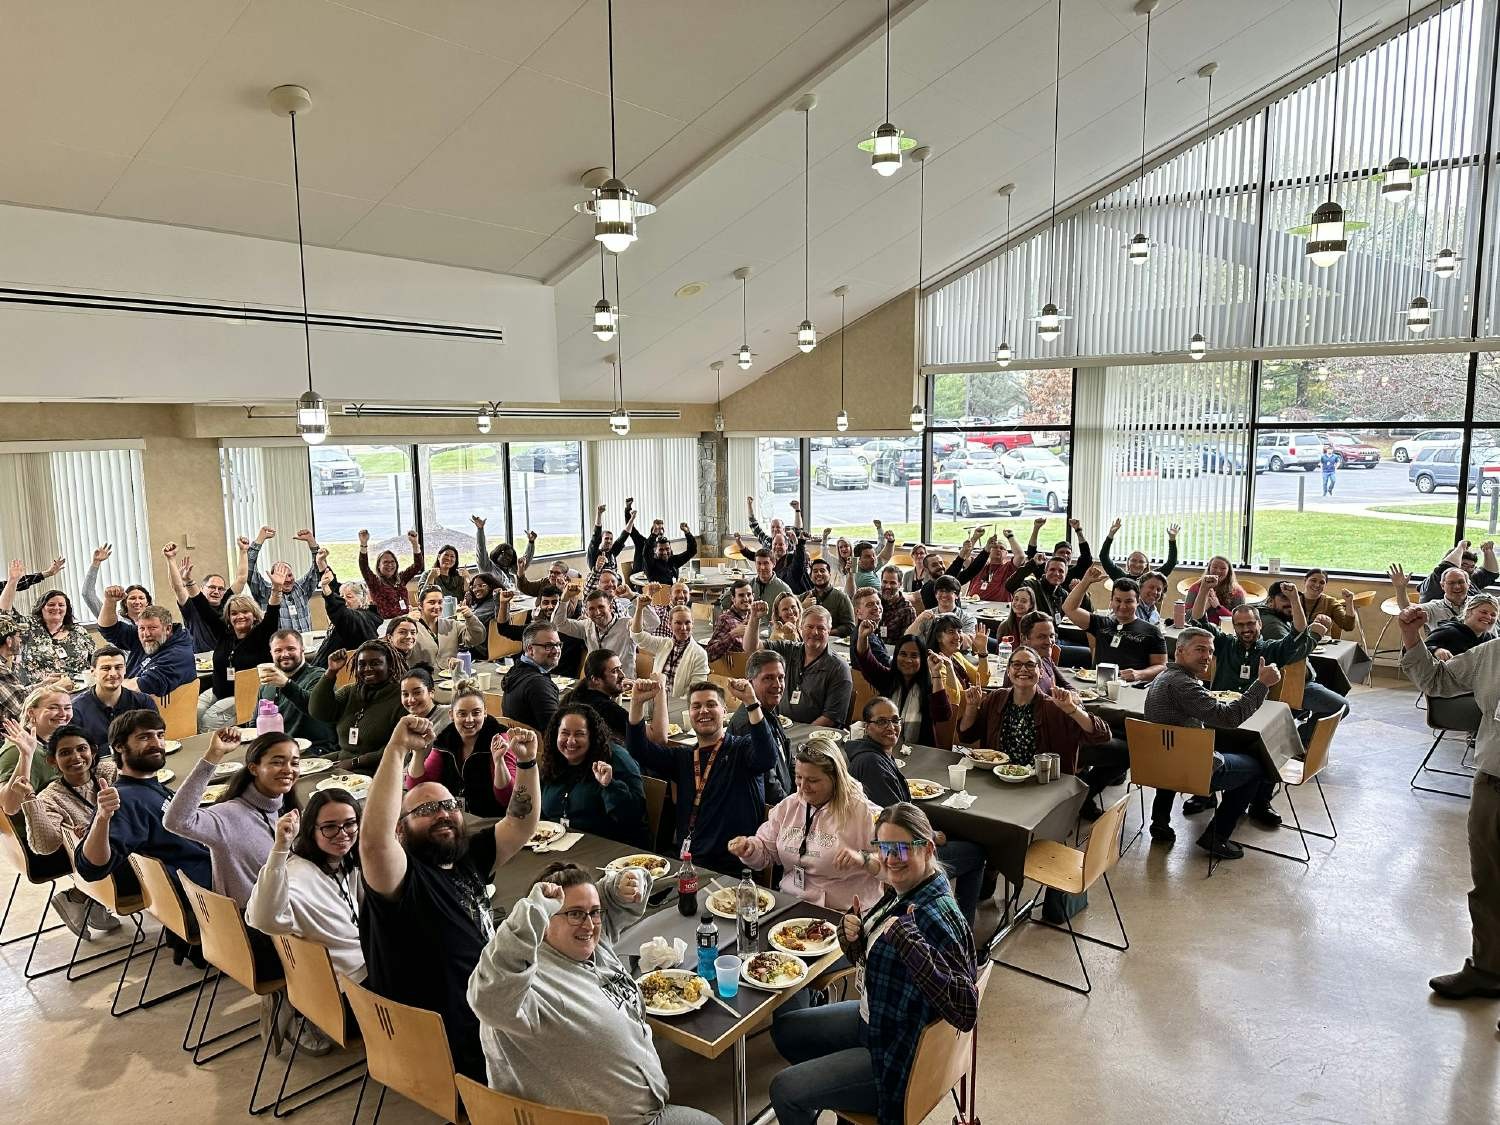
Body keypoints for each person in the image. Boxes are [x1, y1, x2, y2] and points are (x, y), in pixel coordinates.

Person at [769, 802, 977, 1125]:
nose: (891, 859)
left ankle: (836, 1098)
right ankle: (836, 1102)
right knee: (786, 1031)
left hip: (896, 1057)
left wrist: (913, 948)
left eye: (902, 849)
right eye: (884, 848)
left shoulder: (935, 915)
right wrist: (854, 939)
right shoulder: (904, 891)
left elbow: (966, 1011)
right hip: (876, 1016)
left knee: (783, 1089)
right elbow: (882, 965)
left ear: (928, 848)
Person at [358, 714, 540, 1083]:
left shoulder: (465, 856)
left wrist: (526, 763)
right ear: (401, 828)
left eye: (449, 806)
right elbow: (374, 843)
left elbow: (520, 824)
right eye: (425, 811)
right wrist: (396, 750)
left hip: (490, 1005)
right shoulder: (401, 876)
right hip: (454, 1044)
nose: (442, 814)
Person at [468, 862, 719, 1125]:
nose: (588, 925)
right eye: (575, 914)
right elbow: (488, 996)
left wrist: (621, 885)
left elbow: (604, 902)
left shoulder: (590, 946)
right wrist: (530, 914)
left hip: (643, 1109)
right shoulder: (524, 987)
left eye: (594, 913)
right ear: (543, 922)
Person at [1396, 605, 1500, 1010]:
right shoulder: (1492, 653)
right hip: (1493, 781)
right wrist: (1411, 636)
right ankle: (1489, 969)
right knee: (1489, 882)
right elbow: (1436, 680)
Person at [75, 710, 213, 959]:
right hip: (207, 896)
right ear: (119, 746)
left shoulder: (146, 787)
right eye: (144, 737)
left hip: (203, 886)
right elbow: (90, 868)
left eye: (160, 736)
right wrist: (102, 818)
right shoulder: (124, 800)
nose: (157, 744)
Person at [842, 698, 988, 922]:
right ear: (867, 726)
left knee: (961, 836)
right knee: (976, 853)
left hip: (894, 844)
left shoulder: (876, 753)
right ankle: (961, 928)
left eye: (894, 720)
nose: (890, 727)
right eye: (881, 722)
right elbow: (893, 820)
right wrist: (930, 835)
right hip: (895, 853)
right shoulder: (871, 762)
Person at [1142, 626, 1282, 858]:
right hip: (1188, 768)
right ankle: (1216, 836)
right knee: (1258, 767)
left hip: (1161, 764)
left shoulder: (1164, 676)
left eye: (1210, 650)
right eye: (1200, 649)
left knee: (1219, 745)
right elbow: (1229, 718)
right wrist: (1262, 684)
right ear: (1180, 651)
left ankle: (1160, 821)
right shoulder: (1183, 684)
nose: (1207, 656)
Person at [246, 792, 365, 1055]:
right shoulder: (298, 876)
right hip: (348, 998)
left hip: (343, 982)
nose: (342, 833)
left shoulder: (343, 862)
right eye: (330, 827)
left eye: (350, 823)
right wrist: (279, 849)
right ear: (312, 830)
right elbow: (262, 918)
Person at [625, 676, 777, 875]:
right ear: (689, 714)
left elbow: (767, 757)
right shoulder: (684, 757)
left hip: (731, 868)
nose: (703, 711)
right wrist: (636, 703)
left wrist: (751, 702)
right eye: (696, 706)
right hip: (687, 864)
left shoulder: (743, 750)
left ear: (724, 712)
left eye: (711, 704)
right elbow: (639, 750)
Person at [728, 740, 882, 910]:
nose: (803, 787)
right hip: (792, 903)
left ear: (836, 779)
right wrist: (750, 849)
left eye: (813, 780)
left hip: (844, 913)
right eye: (799, 777)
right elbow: (765, 852)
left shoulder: (864, 812)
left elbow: (904, 855)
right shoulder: (788, 807)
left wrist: (864, 859)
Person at [1, 721, 121, 937]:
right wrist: (30, 798)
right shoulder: (51, 797)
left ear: (93, 751)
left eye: (81, 749)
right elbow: (45, 846)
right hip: (103, 865)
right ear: (51, 761)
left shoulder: (110, 771)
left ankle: (87, 900)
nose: (75, 757)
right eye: (65, 752)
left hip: (108, 860)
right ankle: (79, 897)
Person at [165, 727, 299, 911]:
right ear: (253, 768)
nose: (288, 770)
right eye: (277, 762)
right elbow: (176, 820)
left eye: (295, 763)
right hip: (256, 926)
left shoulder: (286, 809)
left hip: (282, 909)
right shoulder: (228, 816)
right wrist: (214, 755)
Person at [1192, 577, 1340, 720]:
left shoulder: (1273, 649)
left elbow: (1299, 631)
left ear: (1260, 624)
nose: (1246, 629)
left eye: (1250, 623)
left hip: (1255, 715)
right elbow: (1199, 620)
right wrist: (1204, 589)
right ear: (1234, 627)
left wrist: (1294, 598)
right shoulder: (1224, 644)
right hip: (1222, 713)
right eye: (1240, 625)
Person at [957, 647, 1110, 776]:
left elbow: (1101, 735)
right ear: (1008, 672)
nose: (1023, 669)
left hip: (1042, 782)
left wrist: (1072, 709)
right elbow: (967, 736)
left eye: (1030, 665)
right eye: (1016, 665)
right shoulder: (996, 698)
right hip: (999, 777)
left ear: (1041, 672)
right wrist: (971, 707)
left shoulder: (1056, 706)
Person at [175, 551, 282, 729]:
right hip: (220, 692)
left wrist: (276, 589)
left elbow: (272, 612)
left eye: (245, 612)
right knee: (194, 712)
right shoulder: (225, 634)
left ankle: (218, 752)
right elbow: (203, 608)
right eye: (234, 613)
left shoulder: (262, 635)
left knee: (209, 720)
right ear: (229, 617)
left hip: (248, 695)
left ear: (254, 615)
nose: (239, 616)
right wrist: (188, 582)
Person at [539, 703, 647, 845]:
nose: (570, 741)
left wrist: (610, 786)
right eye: (565, 733)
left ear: (592, 736)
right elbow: (537, 810)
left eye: (579, 734)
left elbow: (633, 818)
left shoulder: (616, 759)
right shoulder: (554, 758)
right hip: (555, 844)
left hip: (605, 847)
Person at [405, 682, 516, 817]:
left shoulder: (499, 738)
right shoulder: (445, 739)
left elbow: (508, 799)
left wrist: (499, 762)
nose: (469, 720)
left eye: (476, 713)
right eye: (462, 714)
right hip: (454, 815)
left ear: (485, 713)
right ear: (451, 715)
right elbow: (417, 789)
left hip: (490, 819)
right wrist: (418, 753)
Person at [309, 641, 405, 770]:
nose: (367, 668)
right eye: (362, 664)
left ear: (390, 666)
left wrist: (355, 762)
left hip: (377, 769)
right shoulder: (350, 691)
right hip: (343, 761)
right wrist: (331, 672)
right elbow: (318, 711)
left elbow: (398, 747)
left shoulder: (402, 698)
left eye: (375, 663)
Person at [1063, 567, 1168, 683]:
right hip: (1098, 685)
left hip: (1132, 687)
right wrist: (1085, 582)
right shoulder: (1100, 623)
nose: (1122, 606)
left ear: (1137, 602)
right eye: (1118, 600)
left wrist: (1139, 674)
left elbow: (1161, 666)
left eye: (1129, 601)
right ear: (1111, 601)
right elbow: (1069, 608)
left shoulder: (1152, 631)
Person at [852, 628, 952, 747]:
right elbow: (865, 659)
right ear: (896, 656)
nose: (908, 660)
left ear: (922, 660)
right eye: (903, 654)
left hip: (919, 752)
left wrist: (936, 674)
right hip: (885, 748)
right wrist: (863, 637)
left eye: (914, 656)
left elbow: (942, 715)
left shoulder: (930, 687)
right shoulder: (888, 679)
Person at [0, 564, 96, 683]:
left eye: (61, 605)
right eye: (51, 604)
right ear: (41, 608)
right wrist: (13, 581)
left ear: (67, 609)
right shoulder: (28, 626)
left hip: (75, 691)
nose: (56, 608)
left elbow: (95, 661)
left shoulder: (79, 631)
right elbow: (4, 613)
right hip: (36, 693)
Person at [764, 605, 853, 728]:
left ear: (829, 630)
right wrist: (754, 618)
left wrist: (797, 734)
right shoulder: (789, 650)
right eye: (809, 627)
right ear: (801, 628)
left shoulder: (838, 668)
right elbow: (750, 648)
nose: (814, 632)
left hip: (813, 736)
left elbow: (829, 719)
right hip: (781, 727)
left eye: (821, 628)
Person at [97, 591, 195, 697]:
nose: (146, 634)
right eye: (142, 628)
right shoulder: (144, 637)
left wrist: (101, 687)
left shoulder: (178, 654)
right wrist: (109, 601)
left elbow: (142, 685)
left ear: (168, 628)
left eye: (153, 628)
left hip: (147, 710)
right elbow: (108, 629)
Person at [728, 648, 794, 803]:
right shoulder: (747, 725)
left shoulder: (768, 710)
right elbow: (769, 786)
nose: (777, 685)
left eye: (781, 677)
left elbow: (788, 759)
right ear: (750, 682)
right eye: (768, 678)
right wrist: (792, 810)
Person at [257, 630, 338, 754]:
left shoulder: (320, 677)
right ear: (271, 653)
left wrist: (286, 684)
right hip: (279, 750)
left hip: (316, 751)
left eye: (291, 649)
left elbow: (315, 708)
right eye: (278, 650)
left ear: (302, 649)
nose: (284, 654)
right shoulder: (267, 684)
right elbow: (255, 722)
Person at [69, 646, 158, 750]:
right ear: (93, 671)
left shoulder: (144, 702)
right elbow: (76, 751)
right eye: (106, 668)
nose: (113, 673)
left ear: (125, 669)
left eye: (118, 667)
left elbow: (155, 740)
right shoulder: (75, 710)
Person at [632, 599, 708, 718]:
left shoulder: (699, 654)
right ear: (669, 624)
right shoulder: (663, 644)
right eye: (678, 623)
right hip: (655, 703)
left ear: (693, 623)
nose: (683, 627)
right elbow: (638, 636)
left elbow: (696, 691)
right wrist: (639, 608)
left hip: (680, 709)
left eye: (687, 622)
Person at [244, 526, 322, 632]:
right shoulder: (264, 591)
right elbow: (249, 568)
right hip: (277, 647)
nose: (287, 579)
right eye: (282, 576)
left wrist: (311, 542)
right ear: (272, 578)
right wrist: (259, 540)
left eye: (289, 575)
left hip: (303, 646)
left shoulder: (301, 588)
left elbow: (318, 569)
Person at [0, 685, 74, 794]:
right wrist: (26, 755)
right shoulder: (16, 749)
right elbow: (7, 807)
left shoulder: (57, 740)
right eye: (53, 708)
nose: (63, 714)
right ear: (31, 712)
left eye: (67, 708)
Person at [161, 543, 229, 653]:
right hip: (200, 663)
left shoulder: (228, 609)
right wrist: (171, 559)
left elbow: (241, 580)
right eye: (212, 587)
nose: (216, 591)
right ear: (202, 589)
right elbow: (178, 588)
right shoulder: (192, 607)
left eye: (220, 589)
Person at [553, 587, 637, 673]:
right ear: (587, 612)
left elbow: (650, 624)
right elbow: (559, 624)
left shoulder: (627, 625)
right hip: (596, 682)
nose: (597, 612)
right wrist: (565, 598)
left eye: (601, 607)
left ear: (610, 607)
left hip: (622, 683)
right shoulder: (587, 625)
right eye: (591, 609)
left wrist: (633, 597)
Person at [502, 622, 563, 733]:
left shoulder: (514, 671)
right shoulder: (538, 685)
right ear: (530, 649)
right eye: (548, 646)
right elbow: (556, 732)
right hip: (538, 748)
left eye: (558, 644)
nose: (556, 650)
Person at [315, 569, 382, 665]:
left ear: (362, 599)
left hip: (337, 674)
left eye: (349, 597)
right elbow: (334, 588)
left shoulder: (360, 618)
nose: (344, 601)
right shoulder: (357, 615)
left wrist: (328, 594)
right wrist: (322, 565)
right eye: (342, 597)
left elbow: (343, 614)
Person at [409, 588, 486, 670]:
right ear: (420, 605)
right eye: (431, 602)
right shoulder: (411, 627)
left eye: (440, 602)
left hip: (450, 677)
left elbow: (478, 638)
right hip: (421, 678)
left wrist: (470, 617)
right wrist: (405, 621)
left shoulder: (452, 625)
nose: (437, 606)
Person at [562, 649, 631, 739]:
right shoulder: (606, 708)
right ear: (595, 679)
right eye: (614, 671)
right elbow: (648, 735)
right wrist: (639, 700)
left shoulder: (578, 694)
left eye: (620, 668)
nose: (622, 675)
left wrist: (616, 690)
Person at [358, 528, 424, 619]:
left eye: (392, 562)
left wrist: (415, 544)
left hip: (406, 619)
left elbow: (418, 565)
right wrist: (363, 544)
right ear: (378, 566)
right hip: (387, 623)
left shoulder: (401, 578)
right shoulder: (375, 582)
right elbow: (364, 567)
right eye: (385, 562)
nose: (390, 565)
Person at [1392, 562, 1474, 628]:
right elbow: (1408, 609)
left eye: (1461, 582)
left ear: (1468, 584)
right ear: (1442, 586)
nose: (1457, 587)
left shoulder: (1478, 603)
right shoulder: (1434, 608)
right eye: (1451, 583)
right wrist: (1400, 588)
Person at [1417, 539, 1500, 603]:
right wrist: (1460, 547)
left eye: (1472, 566)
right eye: (1463, 565)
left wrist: (1488, 551)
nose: (1468, 570)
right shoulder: (1435, 581)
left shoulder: (1468, 578)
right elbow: (1447, 567)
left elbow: (1491, 574)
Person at [1098, 519, 1179, 583]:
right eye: (1133, 560)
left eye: (1141, 562)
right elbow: (1103, 557)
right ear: (1128, 563)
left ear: (1146, 565)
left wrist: (1172, 539)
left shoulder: (1152, 577)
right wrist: (1110, 535)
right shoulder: (1120, 576)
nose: (1137, 564)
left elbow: (1171, 562)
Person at [1425, 593, 1499, 661]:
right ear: (1469, 611)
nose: (1489, 617)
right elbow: (1423, 648)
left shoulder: (1490, 639)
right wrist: (1436, 650)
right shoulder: (1449, 631)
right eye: (1484, 612)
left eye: (1493, 615)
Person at [952, 532, 1021, 602]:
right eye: (995, 547)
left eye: (1002, 548)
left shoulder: (1008, 568)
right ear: (989, 549)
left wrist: (1010, 536)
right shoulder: (979, 565)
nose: (998, 549)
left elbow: (1020, 556)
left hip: (998, 608)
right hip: (972, 605)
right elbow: (965, 557)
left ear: (1006, 553)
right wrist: (975, 538)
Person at [717, 549, 792, 613]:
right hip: (747, 626)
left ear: (774, 564)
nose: (762, 567)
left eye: (766, 563)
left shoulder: (783, 589)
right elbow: (724, 603)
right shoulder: (748, 585)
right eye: (759, 563)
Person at [909, 576, 978, 644]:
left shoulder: (967, 618)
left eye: (948, 591)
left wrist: (951, 621)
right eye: (941, 591)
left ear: (957, 595)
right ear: (936, 594)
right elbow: (908, 638)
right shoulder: (927, 615)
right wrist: (918, 620)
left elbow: (969, 643)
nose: (944, 595)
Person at [473, 516, 533, 590]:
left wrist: (531, 542)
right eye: (505, 554)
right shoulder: (487, 568)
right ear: (497, 553)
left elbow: (524, 563)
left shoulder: (511, 571)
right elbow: (481, 549)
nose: (508, 558)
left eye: (510, 556)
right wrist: (480, 529)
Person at [1182, 556, 1244, 626]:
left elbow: (1240, 620)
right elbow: (1186, 616)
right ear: (1209, 568)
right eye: (1214, 567)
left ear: (1228, 571)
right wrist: (1204, 605)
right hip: (1198, 629)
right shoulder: (1195, 588)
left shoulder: (1237, 592)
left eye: (1223, 568)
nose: (1218, 571)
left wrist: (1218, 607)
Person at [631, 522, 699, 585]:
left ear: (670, 548)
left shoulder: (673, 560)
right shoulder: (650, 564)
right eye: (661, 549)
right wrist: (653, 534)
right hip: (658, 596)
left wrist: (687, 533)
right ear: (655, 550)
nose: (664, 552)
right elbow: (646, 551)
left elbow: (692, 551)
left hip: (673, 595)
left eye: (667, 549)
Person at [705, 580, 755, 663]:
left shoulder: (752, 616)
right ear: (733, 598)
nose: (746, 599)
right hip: (737, 671)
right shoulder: (725, 620)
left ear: (753, 596)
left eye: (749, 595)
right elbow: (709, 654)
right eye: (741, 595)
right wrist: (732, 634)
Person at [804, 558, 854, 638]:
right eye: (815, 571)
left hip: (833, 645)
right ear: (810, 576)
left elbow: (850, 627)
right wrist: (803, 607)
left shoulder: (841, 597)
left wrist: (826, 632)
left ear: (830, 575)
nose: (819, 574)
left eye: (822, 570)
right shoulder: (804, 597)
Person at [1299, 570, 1358, 638]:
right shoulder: (1292, 599)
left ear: (1325, 585)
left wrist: (1349, 602)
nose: (1317, 585)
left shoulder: (1330, 602)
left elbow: (1348, 626)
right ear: (1305, 580)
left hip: (1319, 644)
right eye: (1313, 580)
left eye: (1322, 583)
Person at [399, 664, 452, 737]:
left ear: (431, 693)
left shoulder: (450, 713)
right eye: (405, 694)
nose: (411, 700)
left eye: (417, 692)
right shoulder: (407, 724)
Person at [875, 566, 915, 645]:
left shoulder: (907, 610)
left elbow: (907, 642)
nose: (888, 586)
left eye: (892, 583)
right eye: (885, 582)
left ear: (900, 584)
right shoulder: (875, 601)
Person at [586, 504, 633, 572]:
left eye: (611, 539)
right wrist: (599, 514)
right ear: (601, 540)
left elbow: (624, 536)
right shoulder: (594, 553)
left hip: (614, 581)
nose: (609, 541)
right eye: (606, 538)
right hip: (600, 581)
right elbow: (596, 536)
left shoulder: (612, 552)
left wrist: (632, 518)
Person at [0, 618, 28, 728]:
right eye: (18, 636)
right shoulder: (1, 669)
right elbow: (21, 708)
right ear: (9, 640)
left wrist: (45, 684)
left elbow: (18, 692)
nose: (21, 640)